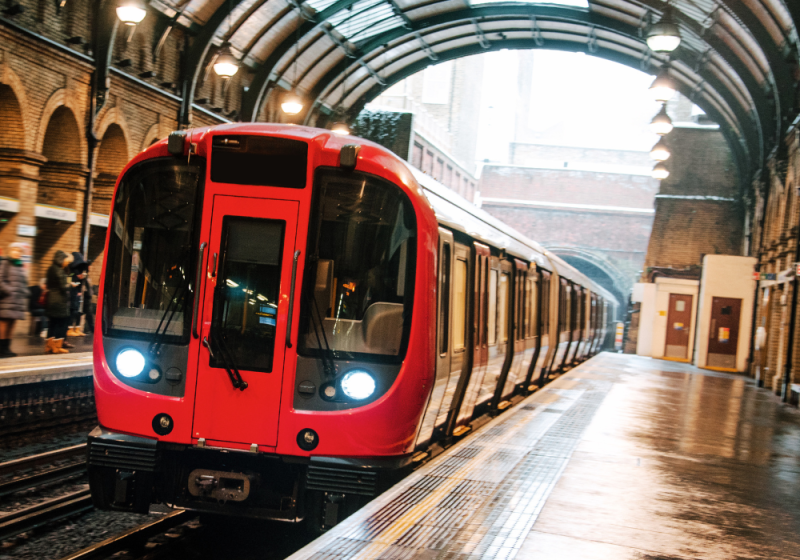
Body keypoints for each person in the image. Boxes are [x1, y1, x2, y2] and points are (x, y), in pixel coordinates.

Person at [0, 243, 29, 357]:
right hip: (6, 300)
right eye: (14, 250)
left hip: (17, 300)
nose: (16, 252)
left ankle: (7, 348)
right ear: (10, 251)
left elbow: (23, 282)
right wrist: (9, 290)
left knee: (12, 324)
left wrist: (25, 292)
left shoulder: (19, 265)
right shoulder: (5, 263)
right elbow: (0, 280)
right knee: (4, 324)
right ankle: (1, 349)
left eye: (18, 251)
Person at [45, 250, 73, 354]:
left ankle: (49, 346)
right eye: (66, 260)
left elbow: (48, 284)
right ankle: (57, 347)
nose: (67, 263)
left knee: (52, 324)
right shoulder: (60, 271)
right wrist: (70, 285)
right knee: (61, 324)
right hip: (60, 301)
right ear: (62, 259)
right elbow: (63, 287)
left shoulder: (50, 268)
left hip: (51, 300)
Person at [67, 252, 89, 338]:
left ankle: (76, 329)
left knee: (78, 311)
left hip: (77, 292)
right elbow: (69, 279)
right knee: (73, 311)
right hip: (73, 292)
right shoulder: (72, 270)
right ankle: (70, 329)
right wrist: (77, 277)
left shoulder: (79, 269)